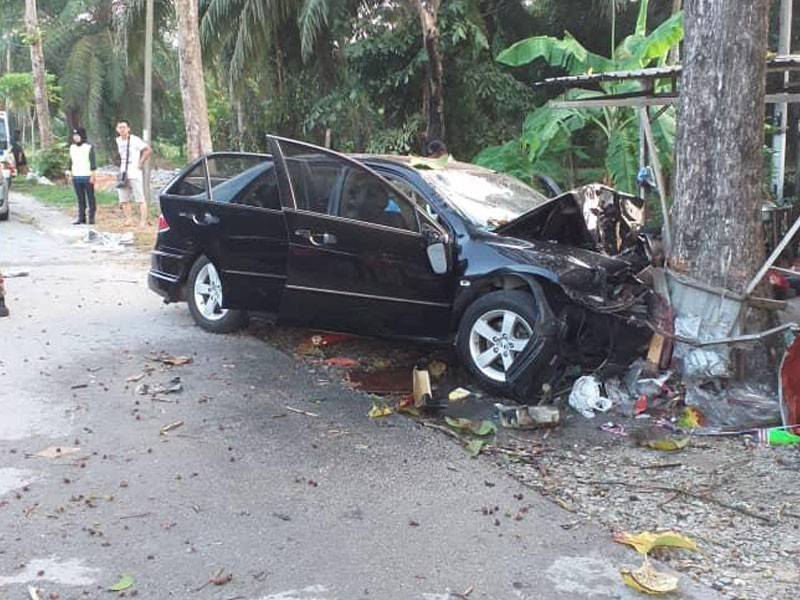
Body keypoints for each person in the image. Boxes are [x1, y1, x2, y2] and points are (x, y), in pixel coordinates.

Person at [115, 119, 152, 228]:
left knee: (140, 197)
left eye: (124, 127)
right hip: (123, 171)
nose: (122, 129)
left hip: (134, 171)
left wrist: (140, 163)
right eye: (120, 127)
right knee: (123, 197)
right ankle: (128, 219)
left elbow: (148, 150)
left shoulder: (135, 140)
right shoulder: (118, 140)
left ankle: (143, 220)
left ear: (128, 129)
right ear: (117, 129)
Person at [68, 128, 97, 225]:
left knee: (90, 198)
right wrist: (70, 174)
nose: (76, 138)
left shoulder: (88, 147)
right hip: (76, 176)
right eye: (74, 136)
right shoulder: (72, 147)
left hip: (87, 176)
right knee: (80, 199)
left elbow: (92, 162)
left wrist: (93, 175)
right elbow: (71, 162)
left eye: (78, 135)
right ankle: (81, 217)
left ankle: (91, 217)